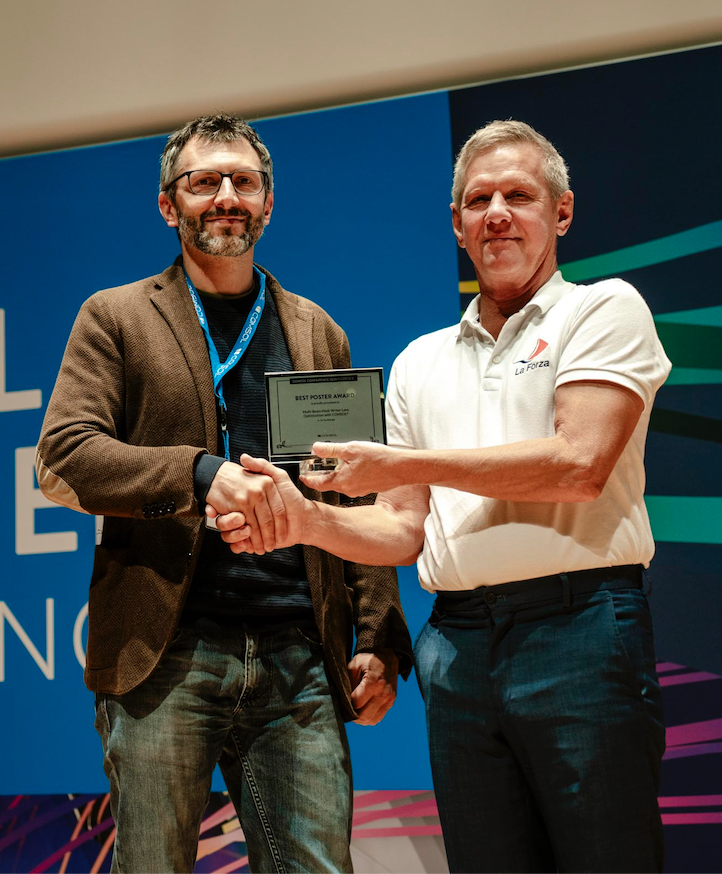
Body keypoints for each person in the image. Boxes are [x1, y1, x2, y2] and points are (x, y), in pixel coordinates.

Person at [212, 120, 671, 874]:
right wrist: (303, 520)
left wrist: (404, 460)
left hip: (580, 626)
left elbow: (578, 465)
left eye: (519, 196)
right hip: (457, 645)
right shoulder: (420, 362)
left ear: (562, 211)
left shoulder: (603, 310)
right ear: (456, 224)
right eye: (478, 200)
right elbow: (402, 528)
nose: (497, 214)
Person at [36, 112, 412, 874]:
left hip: (299, 655)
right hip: (166, 655)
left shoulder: (317, 331)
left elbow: (355, 493)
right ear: (168, 204)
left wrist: (378, 635)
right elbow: (65, 455)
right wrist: (201, 475)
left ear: (269, 203)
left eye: (244, 181)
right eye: (203, 181)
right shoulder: (116, 318)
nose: (227, 197)